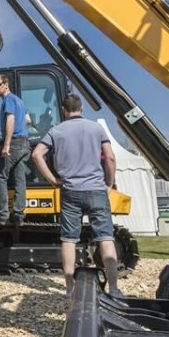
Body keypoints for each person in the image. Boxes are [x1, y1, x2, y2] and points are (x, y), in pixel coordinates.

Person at [30, 95, 121, 297]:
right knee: (105, 238)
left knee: (69, 240)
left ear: (64, 110)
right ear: (81, 108)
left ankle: (70, 287)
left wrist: (52, 179)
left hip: (70, 190)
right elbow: (110, 157)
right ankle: (114, 288)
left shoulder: (56, 131)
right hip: (96, 188)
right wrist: (109, 183)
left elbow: (36, 154)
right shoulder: (96, 129)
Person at [0, 74, 31, 226]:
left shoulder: (8, 100)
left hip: (14, 143)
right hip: (24, 143)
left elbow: (10, 119)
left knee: (1, 177)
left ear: (6, 84)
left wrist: (6, 144)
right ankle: (19, 215)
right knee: (20, 179)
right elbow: (28, 120)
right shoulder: (19, 100)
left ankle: (2, 215)